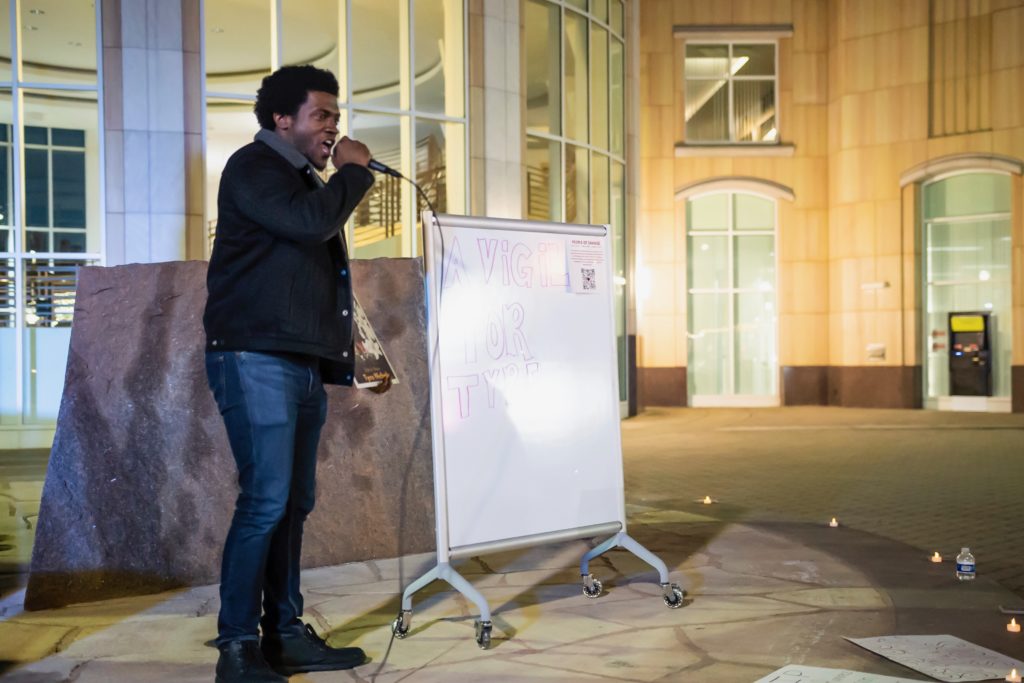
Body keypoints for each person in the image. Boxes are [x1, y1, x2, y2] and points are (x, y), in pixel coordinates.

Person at [203, 65, 389, 683]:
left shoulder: (301, 180)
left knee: (293, 503)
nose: (333, 127)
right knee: (265, 501)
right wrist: (355, 173)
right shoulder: (253, 169)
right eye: (321, 115)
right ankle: (237, 647)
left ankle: (283, 633)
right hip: (254, 356)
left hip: (299, 361)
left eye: (335, 116)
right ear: (282, 119)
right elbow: (311, 224)